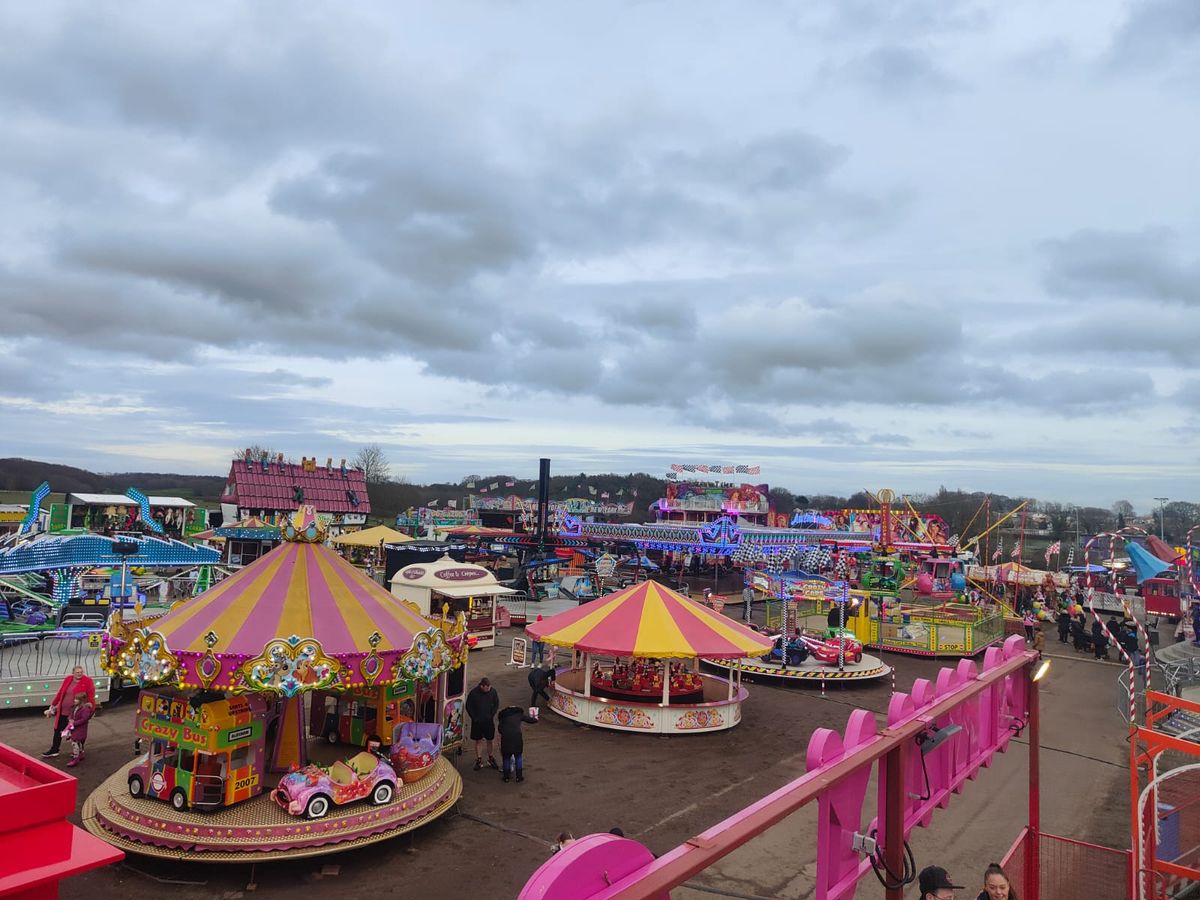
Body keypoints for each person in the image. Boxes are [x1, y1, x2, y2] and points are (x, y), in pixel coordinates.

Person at [42, 666, 97, 758]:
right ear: (73, 672)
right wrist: (53, 704)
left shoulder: (88, 681)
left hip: (75, 713)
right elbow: (60, 693)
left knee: (77, 733)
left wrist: (91, 708)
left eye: (81, 672)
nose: (79, 674)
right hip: (63, 711)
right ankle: (54, 750)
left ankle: (79, 751)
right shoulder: (68, 679)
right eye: (77, 672)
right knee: (58, 730)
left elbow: (91, 696)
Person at [465, 677, 499, 771]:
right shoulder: (473, 693)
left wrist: (492, 714)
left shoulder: (493, 692)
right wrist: (474, 717)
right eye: (486, 688)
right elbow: (468, 706)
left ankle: (490, 757)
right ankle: (479, 759)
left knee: (490, 739)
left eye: (489, 688)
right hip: (477, 722)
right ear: (481, 686)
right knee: (478, 740)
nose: (488, 690)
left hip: (488, 721)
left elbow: (496, 703)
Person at [497, 704, 537, 782]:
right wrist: (536, 718)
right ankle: (519, 776)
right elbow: (530, 720)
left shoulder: (503, 716)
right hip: (516, 737)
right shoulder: (519, 714)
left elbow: (500, 729)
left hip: (506, 738)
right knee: (518, 757)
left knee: (506, 758)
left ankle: (506, 777)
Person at [62, 691, 94, 767]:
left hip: (80, 729)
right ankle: (81, 754)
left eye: (77, 699)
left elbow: (84, 719)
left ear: (81, 701)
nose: (75, 700)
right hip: (76, 729)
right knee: (79, 742)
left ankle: (75, 758)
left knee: (75, 742)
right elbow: (71, 714)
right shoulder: (76, 707)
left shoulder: (84, 709)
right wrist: (70, 719)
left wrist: (74, 723)